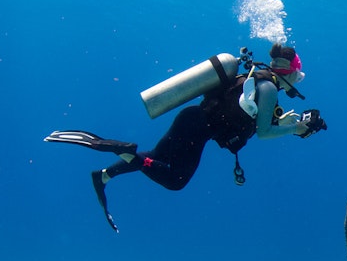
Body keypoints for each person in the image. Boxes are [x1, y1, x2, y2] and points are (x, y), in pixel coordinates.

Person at [45, 44, 327, 231]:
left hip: (191, 118)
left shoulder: (255, 78)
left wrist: (285, 121)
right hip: (197, 130)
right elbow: (264, 132)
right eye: (298, 73)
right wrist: (294, 129)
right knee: (174, 180)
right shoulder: (269, 89)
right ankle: (121, 149)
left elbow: (251, 113)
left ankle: (104, 176)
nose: (299, 78)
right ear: (289, 72)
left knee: (153, 160)